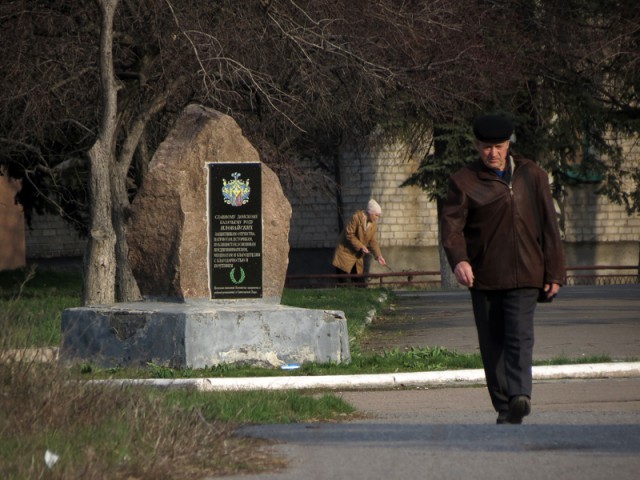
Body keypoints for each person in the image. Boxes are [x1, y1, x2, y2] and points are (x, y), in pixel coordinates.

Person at [441, 114, 565, 424]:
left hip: (527, 271)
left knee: (519, 336)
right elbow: (452, 228)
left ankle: (520, 394)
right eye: (485, 147)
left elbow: (550, 225)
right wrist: (460, 260)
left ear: (508, 145)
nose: (492, 153)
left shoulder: (533, 175)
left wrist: (555, 272)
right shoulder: (463, 181)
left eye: (498, 146)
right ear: (476, 146)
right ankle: (505, 406)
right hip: (485, 275)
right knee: (492, 342)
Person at [332, 199, 386, 283]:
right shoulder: (356, 218)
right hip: (345, 254)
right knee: (344, 283)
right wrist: (361, 246)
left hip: (357, 256)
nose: (377, 218)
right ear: (370, 213)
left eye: (379, 216)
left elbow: (373, 241)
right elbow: (349, 234)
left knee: (359, 283)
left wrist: (378, 256)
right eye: (376, 215)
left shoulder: (373, 225)